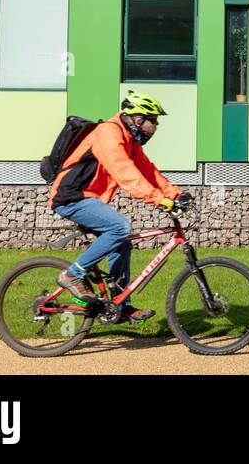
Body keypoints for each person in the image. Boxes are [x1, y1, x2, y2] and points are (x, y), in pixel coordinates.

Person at [47, 91, 185, 323]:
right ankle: (73, 274)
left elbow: (148, 171)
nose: (156, 126)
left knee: (122, 242)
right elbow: (124, 172)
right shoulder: (108, 132)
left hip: (89, 198)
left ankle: (121, 305)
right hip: (71, 197)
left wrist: (175, 194)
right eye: (153, 120)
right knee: (120, 227)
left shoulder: (129, 140)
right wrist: (158, 199)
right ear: (137, 118)